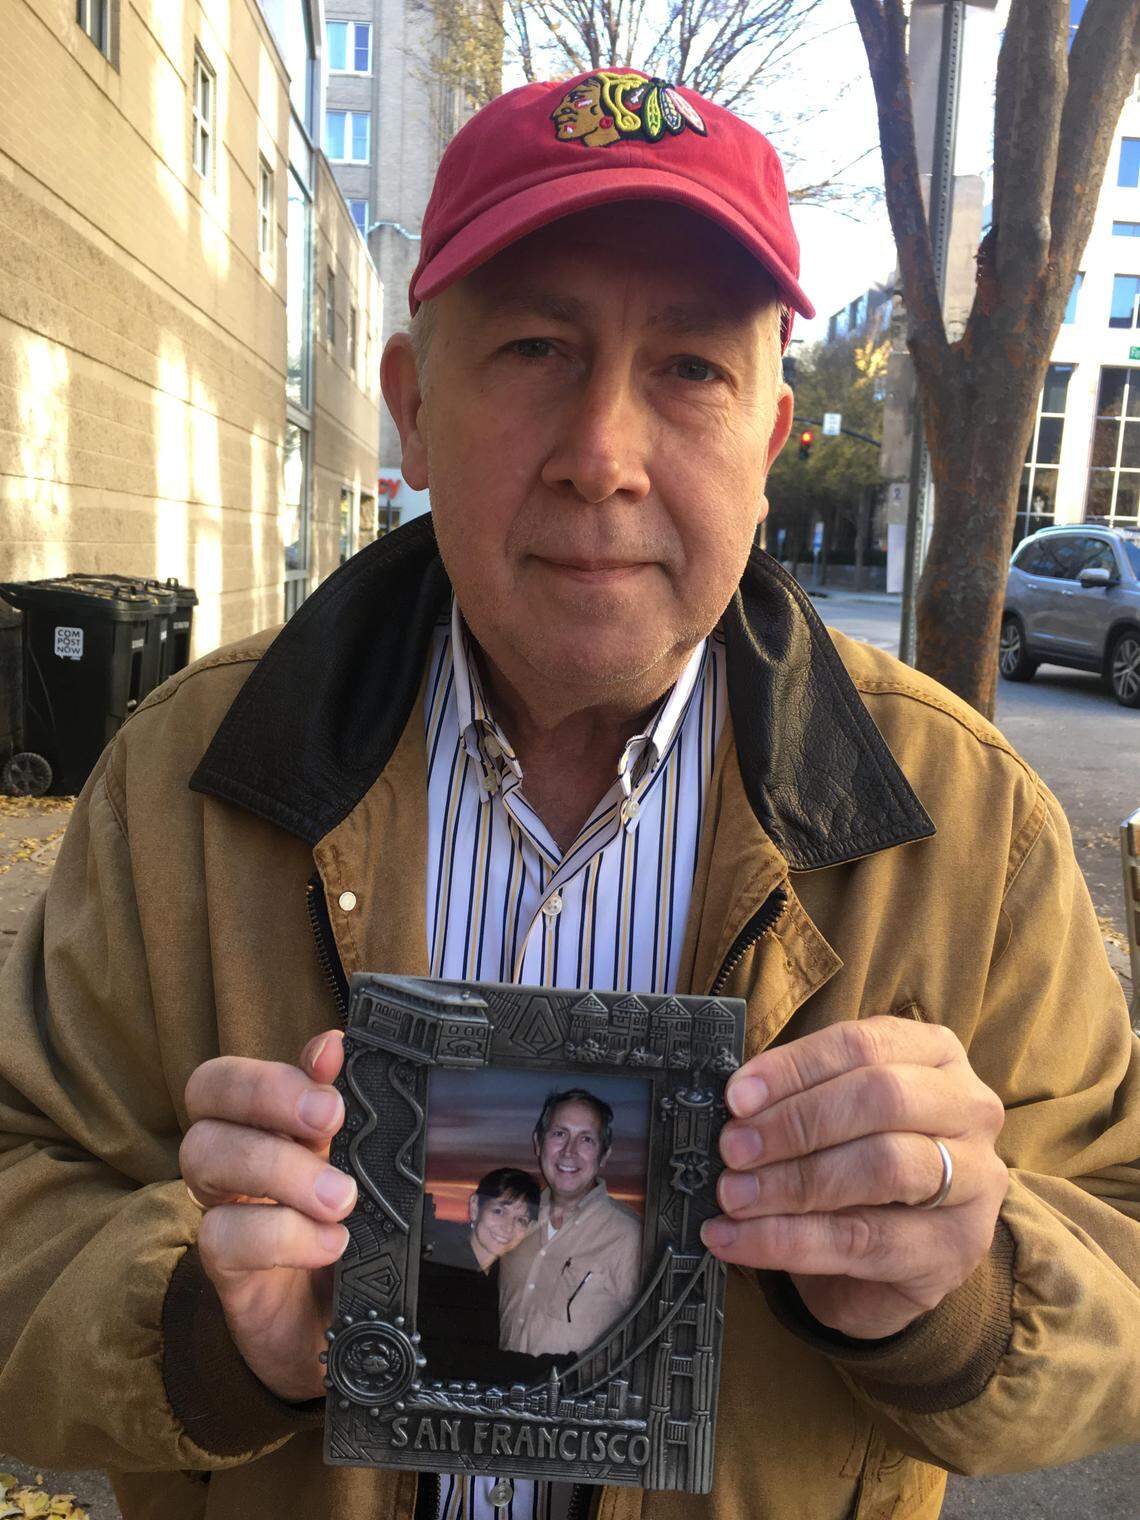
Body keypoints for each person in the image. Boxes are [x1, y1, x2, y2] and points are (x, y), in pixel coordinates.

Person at [0, 62, 1137, 1520]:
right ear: (411, 410)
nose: (603, 455)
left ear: (770, 443)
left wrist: (961, 1294)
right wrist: (206, 1332)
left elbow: (1121, 1248)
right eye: (535, 349)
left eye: (690, 369)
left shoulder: (970, 836)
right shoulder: (181, 786)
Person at [498, 1091, 641, 1357]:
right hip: (506, 1390)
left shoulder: (630, 1236)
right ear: (538, 1144)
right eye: (559, 1134)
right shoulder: (514, 1221)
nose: (569, 1151)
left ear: (604, 1155)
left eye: (586, 1139)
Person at [417, 1168, 569, 1384]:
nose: (507, 1227)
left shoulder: (495, 1273)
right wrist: (555, 1366)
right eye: (498, 1211)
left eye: (521, 1220)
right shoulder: (443, 1270)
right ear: (475, 1206)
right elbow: (467, 1362)